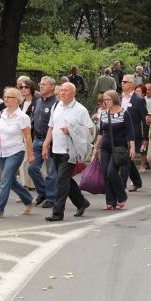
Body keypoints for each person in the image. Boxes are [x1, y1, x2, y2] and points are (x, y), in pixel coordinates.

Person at [41, 82, 93, 221]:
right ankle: (82, 203)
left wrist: (71, 130)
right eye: (61, 90)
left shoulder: (80, 110)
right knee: (65, 180)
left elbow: (90, 130)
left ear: (73, 93)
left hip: (70, 151)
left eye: (66, 91)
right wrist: (46, 145)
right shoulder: (57, 106)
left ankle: (57, 213)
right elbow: (51, 127)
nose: (62, 93)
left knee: (61, 181)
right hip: (56, 149)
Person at [0, 87, 36, 218]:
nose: (6, 99)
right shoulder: (2, 113)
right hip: (2, 152)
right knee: (11, 181)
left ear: (17, 100)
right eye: (5, 97)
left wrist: (30, 154)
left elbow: (28, 137)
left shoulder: (22, 117)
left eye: (10, 97)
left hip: (16, 152)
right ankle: (28, 200)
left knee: (5, 180)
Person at [92, 90, 135, 210]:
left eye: (108, 99)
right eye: (104, 100)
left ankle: (121, 196)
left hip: (119, 148)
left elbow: (130, 132)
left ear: (115, 99)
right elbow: (101, 132)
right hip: (105, 147)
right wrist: (96, 147)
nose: (106, 102)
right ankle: (110, 201)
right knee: (106, 173)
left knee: (112, 172)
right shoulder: (103, 113)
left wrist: (132, 148)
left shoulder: (124, 113)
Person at [28, 77, 59, 208]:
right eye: (40, 84)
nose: (41, 86)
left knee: (52, 172)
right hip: (37, 139)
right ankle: (42, 192)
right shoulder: (39, 101)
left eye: (44, 84)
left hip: (51, 141)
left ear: (52, 87)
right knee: (32, 168)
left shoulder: (56, 104)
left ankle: (51, 198)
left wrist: (48, 141)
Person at [119, 74, 149, 192]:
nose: (122, 83)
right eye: (122, 81)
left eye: (125, 82)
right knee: (128, 160)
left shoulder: (139, 100)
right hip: (118, 133)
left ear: (131, 84)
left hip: (132, 134)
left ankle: (121, 185)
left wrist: (145, 138)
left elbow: (145, 120)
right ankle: (137, 181)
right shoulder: (118, 98)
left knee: (125, 158)